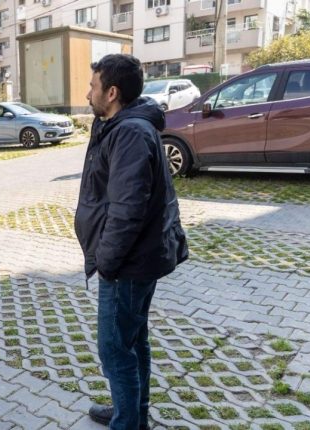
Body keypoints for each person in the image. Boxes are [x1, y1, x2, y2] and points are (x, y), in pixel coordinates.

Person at [74, 54, 189, 429]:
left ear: (111, 92)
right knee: (133, 339)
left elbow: (127, 210)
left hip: (127, 263)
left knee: (114, 347)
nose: (87, 93)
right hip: (136, 259)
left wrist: (107, 262)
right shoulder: (118, 125)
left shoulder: (130, 133)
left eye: (92, 86)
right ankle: (132, 412)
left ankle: (128, 422)